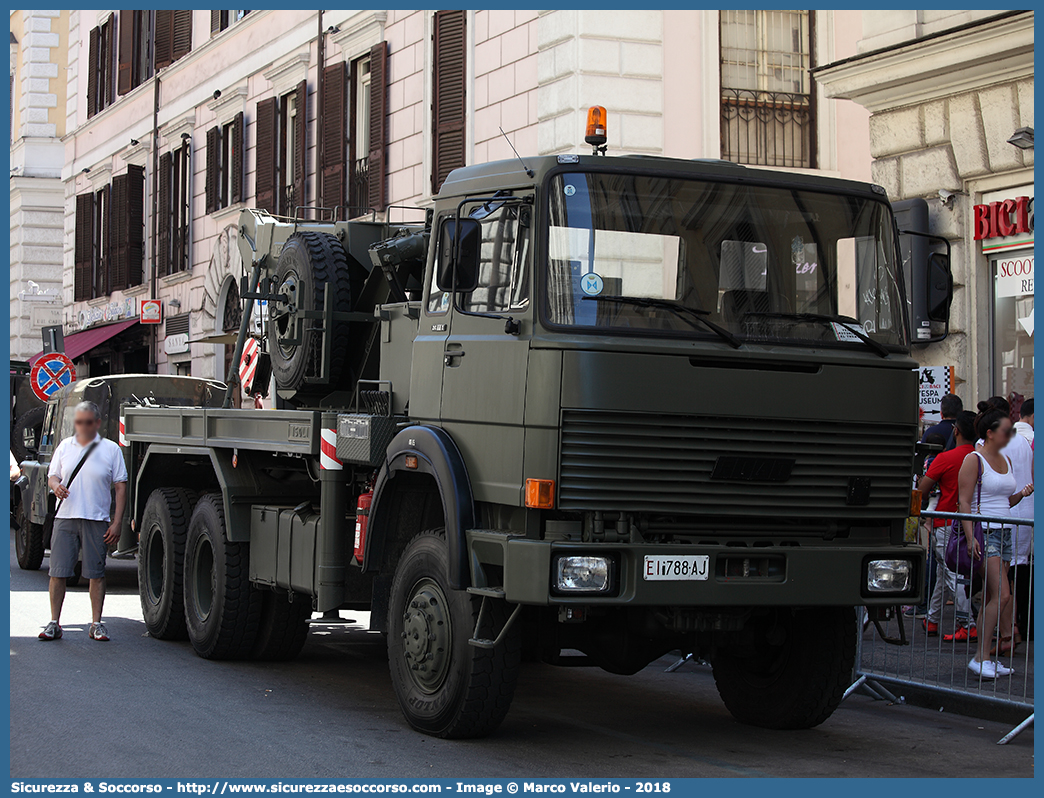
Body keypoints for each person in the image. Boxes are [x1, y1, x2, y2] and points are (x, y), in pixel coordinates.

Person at [39, 401, 128, 642]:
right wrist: (57, 486)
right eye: (79, 422)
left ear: (97, 423)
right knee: (57, 572)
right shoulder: (65, 446)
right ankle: (54, 623)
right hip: (65, 517)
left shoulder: (111, 450)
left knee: (96, 574)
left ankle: (96, 623)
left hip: (96, 518)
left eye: (88, 422)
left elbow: (120, 487)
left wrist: (117, 522)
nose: (83, 426)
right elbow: (53, 475)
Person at [959, 405, 1033, 679]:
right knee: (1002, 594)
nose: (1010, 435)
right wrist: (970, 536)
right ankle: (981, 656)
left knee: (994, 595)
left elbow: (1005, 500)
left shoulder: (1005, 460)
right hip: (985, 533)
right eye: (1006, 430)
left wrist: (1022, 495)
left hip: (1003, 532)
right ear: (990, 433)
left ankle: (984, 656)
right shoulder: (974, 459)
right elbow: (964, 501)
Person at [918, 411, 977, 638]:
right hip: (971, 521)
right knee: (945, 574)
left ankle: (968, 624)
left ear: (956, 431)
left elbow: (923, 489)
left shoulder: (945, 458)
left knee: (952, 575)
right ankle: (932, 619)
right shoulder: (981, 457)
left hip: (946, 522)